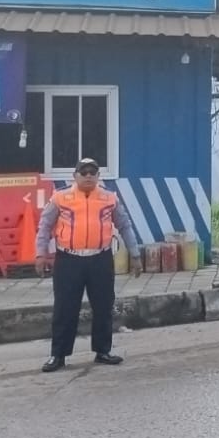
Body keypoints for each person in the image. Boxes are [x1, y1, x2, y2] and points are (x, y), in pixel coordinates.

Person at [36, 159, 143, 372]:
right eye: (83, 172)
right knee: (65, 309)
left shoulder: (109, 198)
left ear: (98, 176)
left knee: (103, 306)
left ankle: (103, 351)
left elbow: (124, 225)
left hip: (100, 259)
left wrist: (135, 254)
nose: (88, 176)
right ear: (75, 176)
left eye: (92, 172)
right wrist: (40, 254)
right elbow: (45, 226)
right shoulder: (60, 197)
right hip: (69, 260)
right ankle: (58, 355)